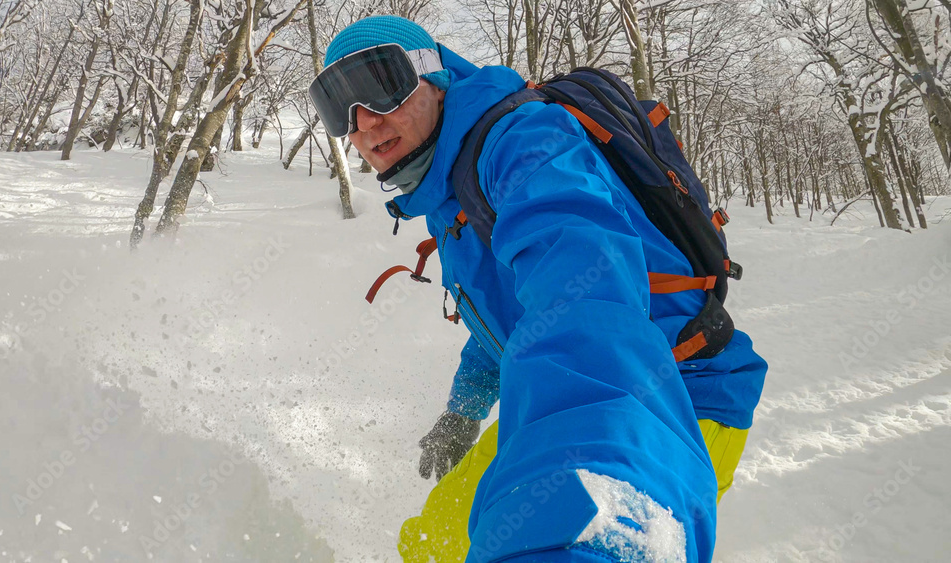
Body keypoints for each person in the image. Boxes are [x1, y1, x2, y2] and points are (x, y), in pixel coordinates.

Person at [309, 15, 767, 563]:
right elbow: (518, 316)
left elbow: (585, 296)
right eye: (338, 106)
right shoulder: (452, 189)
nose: (363, 120)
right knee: (431, 546)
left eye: (380, 85)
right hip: (575, 386)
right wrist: (464, 407)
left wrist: (586, 505)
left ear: (434, 77)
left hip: (667, 397)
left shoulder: (526, 143)